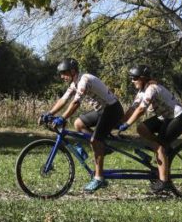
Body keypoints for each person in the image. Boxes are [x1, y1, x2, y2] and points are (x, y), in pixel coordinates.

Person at [39, 58, 124, 193]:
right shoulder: (75, 83)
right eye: (61, 74)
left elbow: (76, 103)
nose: (62, 76)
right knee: (78, 123)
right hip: (101, 110)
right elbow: (63, 100)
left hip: (113, 110)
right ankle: (103, 147)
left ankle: (99, 178)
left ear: (73, 71)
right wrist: (49, 113)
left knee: (95, 141)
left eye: (64, 73)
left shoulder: (84, 80)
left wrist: (62, 118)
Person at [118, 64, 182, 194]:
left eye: (134, 78)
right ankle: (162, 147)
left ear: (143, 78)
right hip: (165, 117)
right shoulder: (142, 91)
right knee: (142, 128)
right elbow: (133, 108)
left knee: (159, 147)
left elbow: (141, 109)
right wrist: (119, 123)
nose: (132, 81)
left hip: (179, 118)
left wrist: (127, 124)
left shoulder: (152, 89)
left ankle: (164, 182)